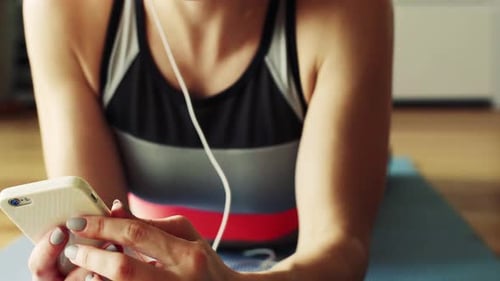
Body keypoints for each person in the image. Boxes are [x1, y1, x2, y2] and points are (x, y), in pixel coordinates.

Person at [23, 0, 394, 280]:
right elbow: (93, 228)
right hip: (152, 215)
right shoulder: (63, 8)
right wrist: (85, 265)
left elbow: (340, 245)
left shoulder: (350, 10)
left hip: (293, 232)